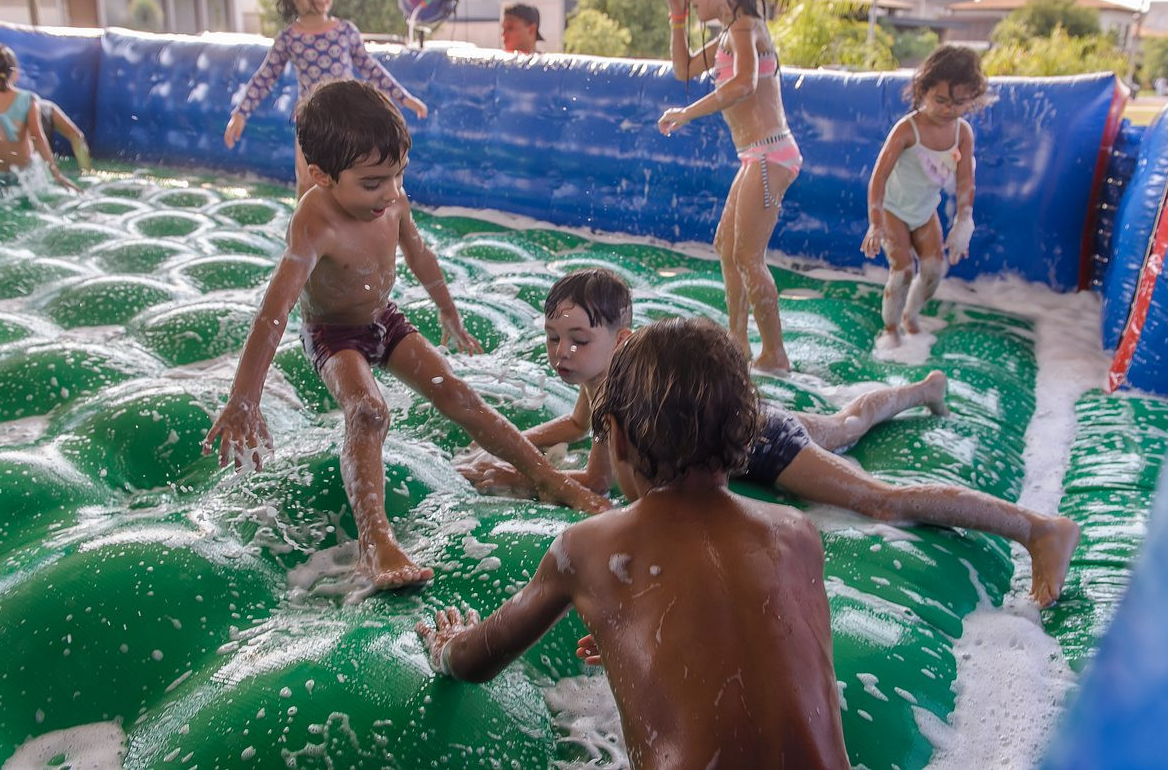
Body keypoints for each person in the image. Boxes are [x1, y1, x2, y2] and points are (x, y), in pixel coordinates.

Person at [459, 268, 1081, 607]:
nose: (562, 353)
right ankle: (922, 389)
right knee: (845, 426)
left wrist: (521, 477)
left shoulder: (621, 390)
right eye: (553, 339)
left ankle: (1037, 529)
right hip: (745, 416)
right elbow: (576, 426)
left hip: (761, 444)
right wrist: (511, 443)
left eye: (578, 341)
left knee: (878, 499)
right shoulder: (602, 378)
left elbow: (597, 482)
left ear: (620, 340)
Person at [203, 80, 608, 593]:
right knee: (368, 411)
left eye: (399, 174)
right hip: (333, 334)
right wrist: (244, 396)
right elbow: (273, 312)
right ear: (322, 175)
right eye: (373, 182)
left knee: (459, 393)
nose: (391, 192)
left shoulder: (391, 201)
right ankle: (376, 543)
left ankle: (550, 481)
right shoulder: (314, 220)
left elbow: (418, 253)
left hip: (383, 319)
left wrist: (448, 313)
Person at [419, 317, 851, 769]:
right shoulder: (797, 533)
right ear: (746, 428)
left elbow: (476, 661)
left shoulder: (587, 548)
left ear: (619, 438)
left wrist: (449, 646)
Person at [659, 0, 801, 374]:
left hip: (770, 154)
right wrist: (677, 17)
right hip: (756, 155)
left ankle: (774, 354)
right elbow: (683, 69)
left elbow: (743, 84)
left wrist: (687, 113)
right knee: (727, 247)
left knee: (748, 257)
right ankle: (737, 342)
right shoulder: (727, 34)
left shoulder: (745, 27)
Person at [223, 0, 429, 201]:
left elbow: (371, 68)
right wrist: (240, 113)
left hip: (348, 121)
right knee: (307, 182)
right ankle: (304, 223)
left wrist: (404, 98)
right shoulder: (289, 38)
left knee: (350, 177)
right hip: (311, 122)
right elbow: (264, 78)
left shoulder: (344, 31)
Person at [860, 45, 987, 346]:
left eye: (959, 103)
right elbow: (879, 177)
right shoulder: (907, 130)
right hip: (892, 209)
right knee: (903, 271)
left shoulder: (962, 133)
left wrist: (964, 221)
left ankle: (910, 315)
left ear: (971, 98)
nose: (948, 109)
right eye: (940, 100)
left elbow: (965, 181)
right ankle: (891, 331)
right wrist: (875, 223)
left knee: (933, 270)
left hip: (924, 211)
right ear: (922, 91)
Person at [0, 43, 81, 191]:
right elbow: (37, 137)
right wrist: (56, 174)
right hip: (25, 178)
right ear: (14, 73)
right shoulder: (29, 99)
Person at [34, 95, 92, 174]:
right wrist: (86, 171)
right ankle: (87, 171)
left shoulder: (44, 108)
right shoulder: (46, 108)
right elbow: (77, 137)